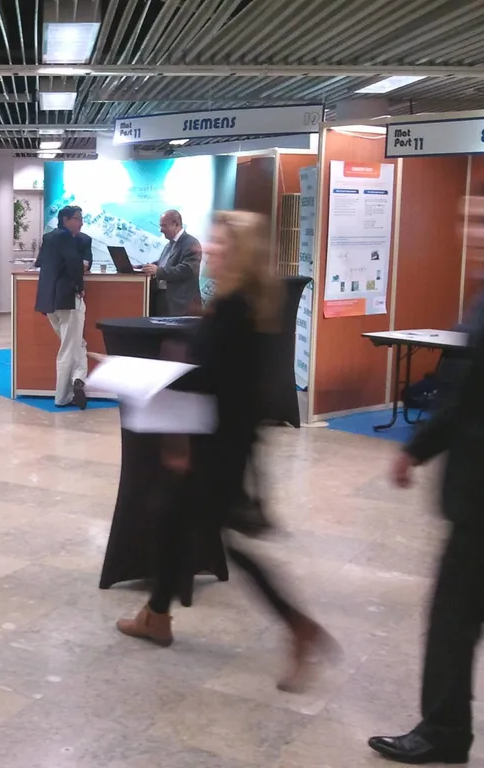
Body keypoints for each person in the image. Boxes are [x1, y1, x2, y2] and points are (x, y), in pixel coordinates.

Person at [116, 210, 336, 692]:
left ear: (240, 254)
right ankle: (157, 615)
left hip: (214, 446)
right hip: (219, 442)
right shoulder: (242, 304)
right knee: (174, 522)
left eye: (219, 245)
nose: (209, 250)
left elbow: (215, 382)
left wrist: (146, 375)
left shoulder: (237, 309)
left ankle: (298, 627)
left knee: (212, 537)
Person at [368, 183, 484, 766]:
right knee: (463, 604)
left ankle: (444, 733)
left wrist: (418, 446)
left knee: (453, 610)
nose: (478, 232)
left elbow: (469, 391)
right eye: (474, 219)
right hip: (480, 479)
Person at [35, 205, 88, 409]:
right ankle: (62, 396)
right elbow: (74, 264)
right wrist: (80, 287)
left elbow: (41, 262)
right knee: (68, 348)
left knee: (78, 344)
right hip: (67, 300)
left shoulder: (49, 237)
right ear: (66, 220)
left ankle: (78, 379)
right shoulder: (66, 238)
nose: (81, 222)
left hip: (49, 302)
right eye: (78, 218)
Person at [141, 209, 202, 317]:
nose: (160, 230)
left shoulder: (191, 243)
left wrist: (158, 271)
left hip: (181, 307)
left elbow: (187, 270)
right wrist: (141, 267)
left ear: (176, 224)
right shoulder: (170, 244)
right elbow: (162, 263)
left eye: (164, 226)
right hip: (164, 302)